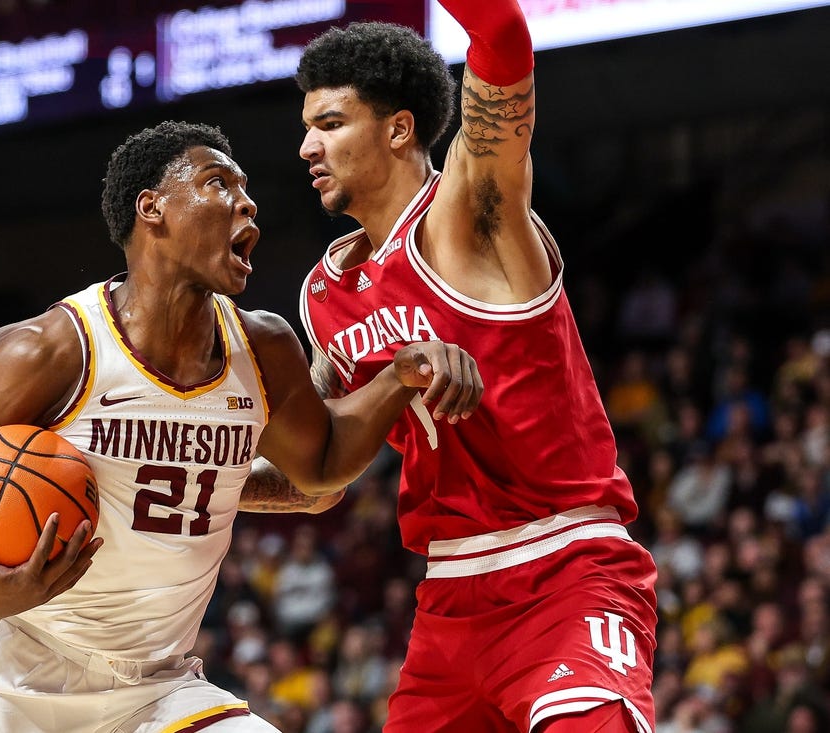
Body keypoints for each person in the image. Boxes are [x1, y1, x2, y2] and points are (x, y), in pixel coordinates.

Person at [0, 120, 482, 733]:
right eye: (217, 184)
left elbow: (323, 467)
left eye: (247, 190)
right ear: (152, 209)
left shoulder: (263, 348)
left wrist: (398, 375)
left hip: (157, 686)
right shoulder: (44, 352)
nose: (247, 203)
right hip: (14, 675)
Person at [266, 1, 660, 730]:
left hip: (565, 571)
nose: (306, 148)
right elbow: (315, 476)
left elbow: (503, 35)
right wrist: (189, 492)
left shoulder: (470, 214)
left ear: (398, 128)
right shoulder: (324, 297)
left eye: (328, 124)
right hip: (447, 602)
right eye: (305, 128)